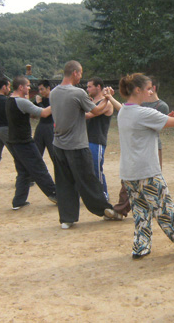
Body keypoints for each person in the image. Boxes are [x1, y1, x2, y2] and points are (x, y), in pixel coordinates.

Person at [116, 73, 174, 259]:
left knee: (141, 212)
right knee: (165, 210)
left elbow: (143, 128)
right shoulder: (143, 112)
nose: (150, 91)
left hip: (129, 173)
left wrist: (160, 119)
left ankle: (140, 246)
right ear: (137, 90)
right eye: (148, 88)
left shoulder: (123, 111)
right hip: (147, 172)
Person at [49, 61, 120, 229]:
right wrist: (107, 98)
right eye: (80, 73)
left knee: (64, 182)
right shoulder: (78, 93)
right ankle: (105, 209)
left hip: (58, 145)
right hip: (77, 146)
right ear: (75, 73)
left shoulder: (53, 93)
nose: (81, 77)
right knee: (88, 180)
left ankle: (67, 218)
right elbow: (95, 111)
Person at [105, 76, 170, 220]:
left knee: (150, 181)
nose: (148, 91)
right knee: (133, 182)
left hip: (151, 148)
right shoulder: (137, 107)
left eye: (149, 88)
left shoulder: (160, 106)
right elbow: (125, 110)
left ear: (153, 88)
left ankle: (150, 210)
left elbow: (167, 123)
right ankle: (123, 210)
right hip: (136, 146)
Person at [5, 76, 57, 210]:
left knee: (23, 171)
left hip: (14, 141)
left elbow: (30, 114)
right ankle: (55, 194)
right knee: (39, 168)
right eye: (27, 86)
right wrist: (58, 102)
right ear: (21, 87)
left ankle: (18, 201)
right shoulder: (22, 102)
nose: (29, 88)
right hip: (24, 142)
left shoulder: (10, 100)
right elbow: (44, 113)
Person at [86, 77, 114, 201]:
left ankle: (104, 196)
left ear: (98, 87)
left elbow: (90, 115)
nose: (88, 89)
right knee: (87, 171)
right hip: (86, 140)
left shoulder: (106, 103)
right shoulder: (91, 102)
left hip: (97, 141)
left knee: (97, 171)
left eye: (90, 86)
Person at [33, 80, 55, 165]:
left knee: (54, 154)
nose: (40, 92)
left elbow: (46, 113)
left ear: (48, 88)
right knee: (36, 154)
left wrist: (40, 103)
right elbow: (32, 112)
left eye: (42, 89)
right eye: (39, 90)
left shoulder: (54, 100)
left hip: (50, 127)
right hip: (41, 126)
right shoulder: (41, 100)